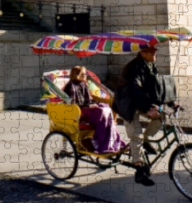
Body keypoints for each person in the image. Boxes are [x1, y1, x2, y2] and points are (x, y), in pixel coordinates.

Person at [113, 45, 165, 187]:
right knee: (136, 135)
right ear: (142, 53)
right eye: (152, 52)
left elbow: (156, 88)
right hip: (127, 103)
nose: (155, 54)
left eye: (155, 51)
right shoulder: (133, 67)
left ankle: (146, 140)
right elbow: (136, 90)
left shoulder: (151, 65)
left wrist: (169, 103)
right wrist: (147, 108)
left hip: (140, 101)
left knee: (161, 115)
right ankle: (139, 169)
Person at [63, 66, 127, 154]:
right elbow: (72, 103)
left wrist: (95, 104)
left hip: (87, 108)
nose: (85, 75)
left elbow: (89, 99)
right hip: (80, 112)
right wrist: (89, 106)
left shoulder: (83, 84)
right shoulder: (70, 86)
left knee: (106, 109)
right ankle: (99, 142)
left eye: (85, 74)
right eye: (83, 74)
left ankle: (111, 142)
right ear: (76, 75)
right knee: (101, 112)